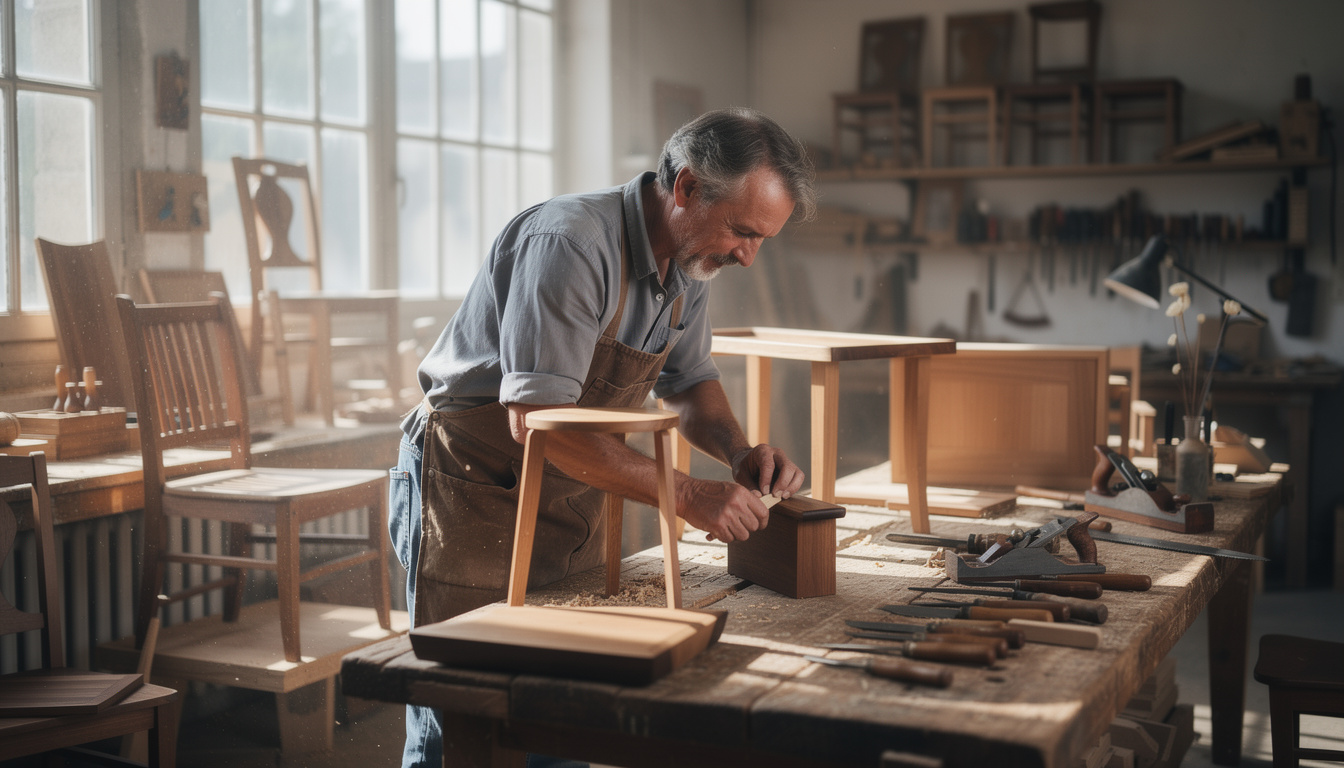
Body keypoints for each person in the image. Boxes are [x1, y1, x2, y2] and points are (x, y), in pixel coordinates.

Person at [389, 107, 817, 768]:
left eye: (761, 239)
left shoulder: (689, 264)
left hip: (572, 485)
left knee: (565, 702)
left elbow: (689, 382)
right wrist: (685, 494)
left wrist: (738, 454)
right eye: (741, 231)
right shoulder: (570, 243)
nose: (747, 256)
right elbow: (536, 420)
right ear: (686, 188)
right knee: (464, 712)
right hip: (473, 480)